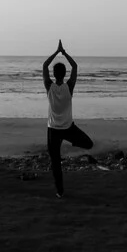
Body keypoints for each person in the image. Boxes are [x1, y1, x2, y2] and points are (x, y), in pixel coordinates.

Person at [42, 40, 93, 197]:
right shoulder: (68, 87)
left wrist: (56, 52)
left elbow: (44, 66)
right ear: (64, 75)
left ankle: (60, 192)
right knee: (88, 144)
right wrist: (64, 53)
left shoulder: (49, 86)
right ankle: (72, 141)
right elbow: (75, 67)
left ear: (54, 74)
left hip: (54, 130)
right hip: (68, 128)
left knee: (55, 162)